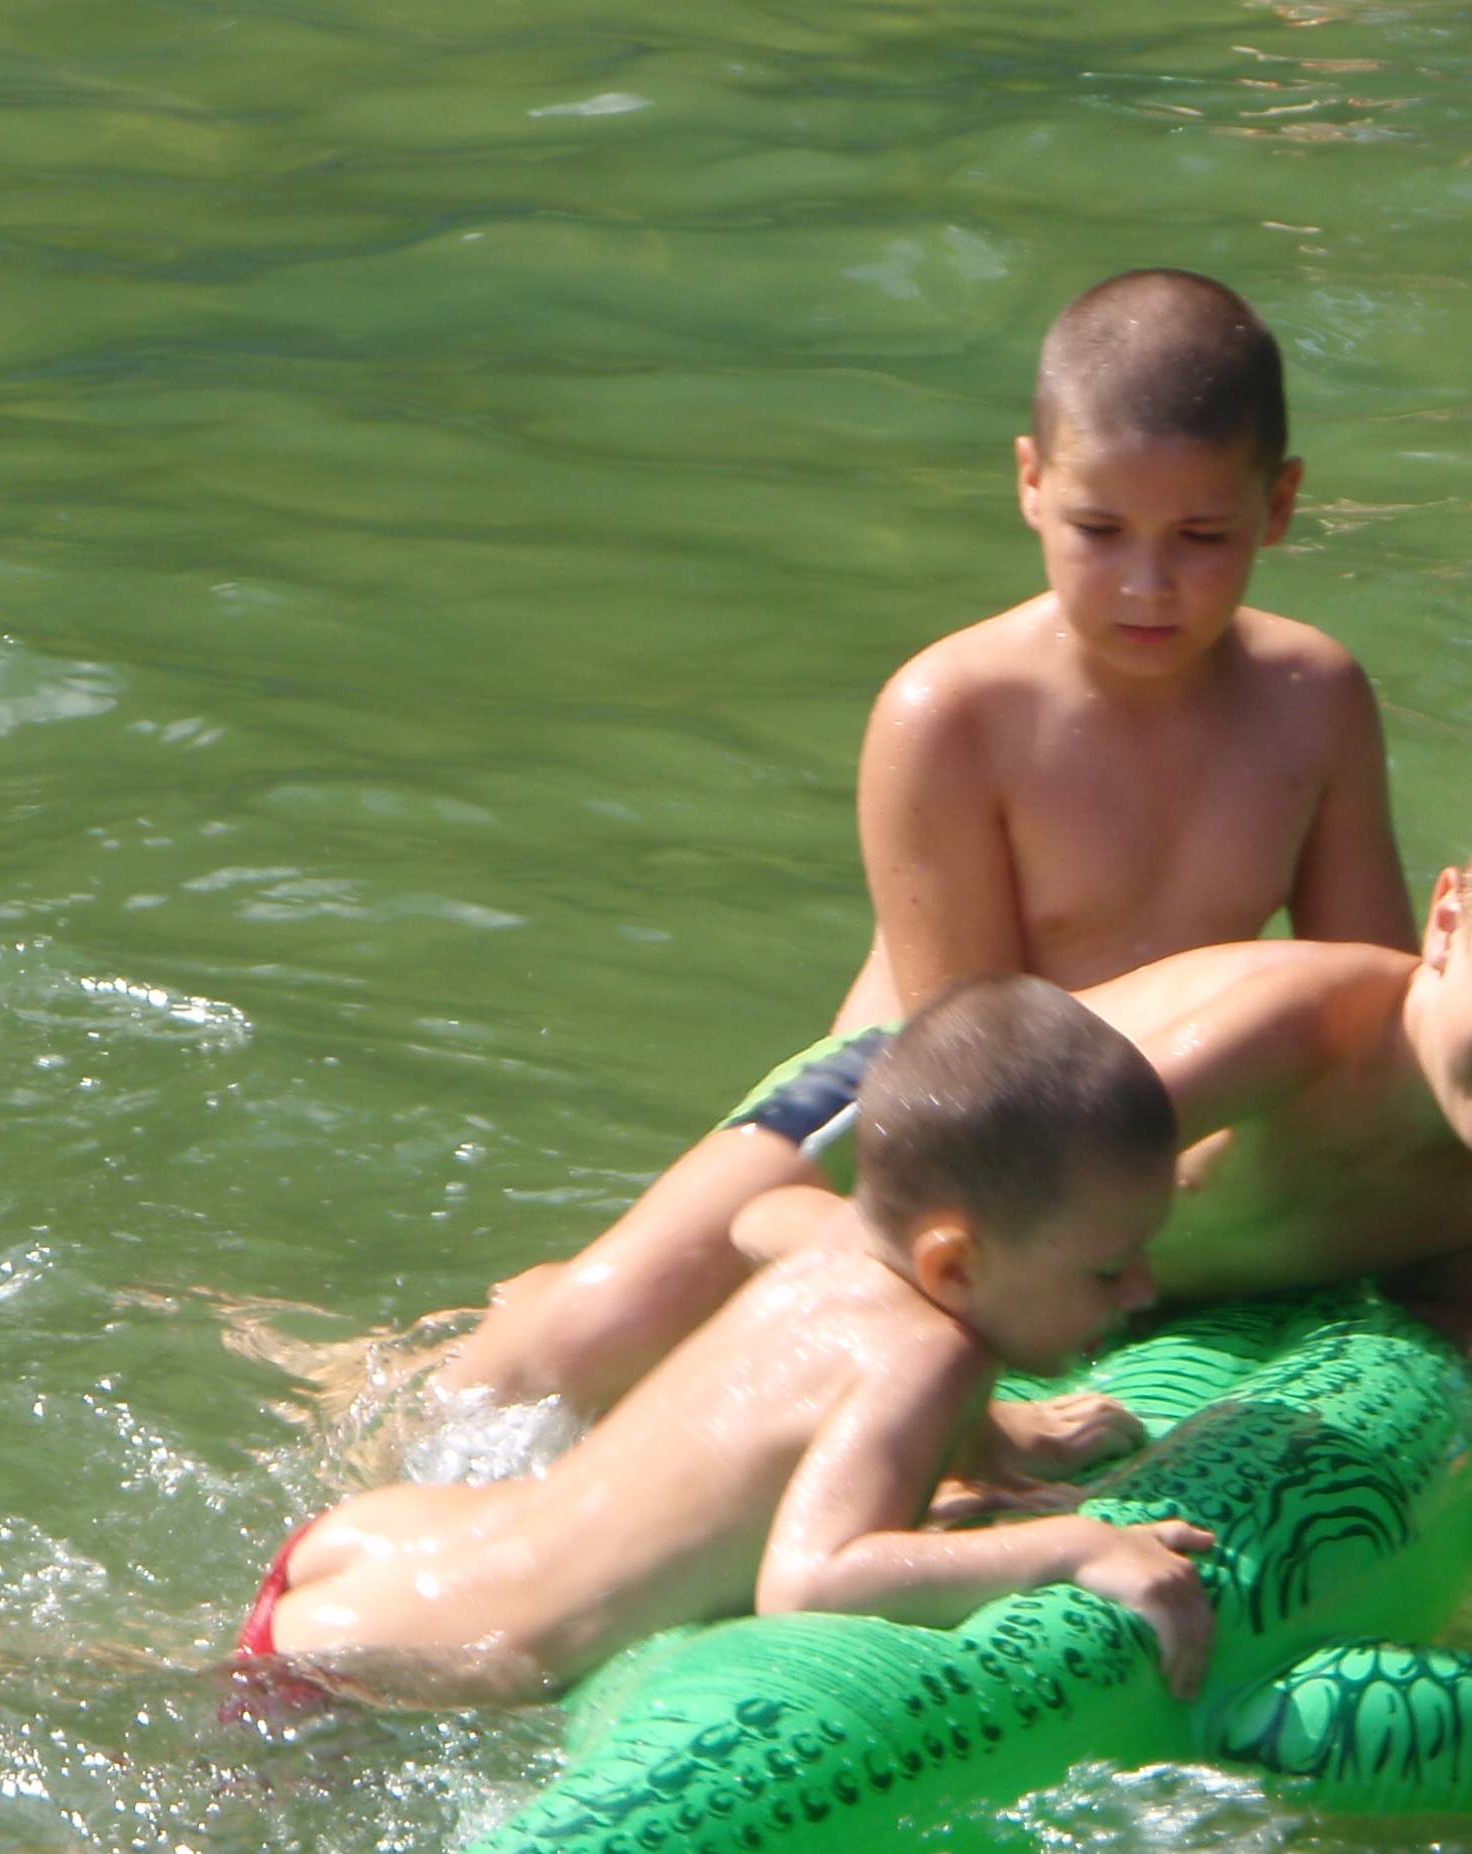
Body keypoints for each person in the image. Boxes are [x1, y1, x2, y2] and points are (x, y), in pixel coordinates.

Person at [433, 267, 1411, 1420]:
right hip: (904, 1094)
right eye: (1099, 531)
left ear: (1279, 503)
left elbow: (1381, 1005)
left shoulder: (1313, 702)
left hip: (1159, 1098)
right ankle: (410, 1359)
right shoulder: (952, 713)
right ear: (1031, 482)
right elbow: (965, 1070)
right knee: (581, 1343)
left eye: (1202, 536)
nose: (1148, 586)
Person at [240, 979, 1218, 1707]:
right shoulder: (929, 1355)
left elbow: (762, 1221)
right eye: (1109, 1269)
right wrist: (1074, 1548)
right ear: (952, 1264)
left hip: (390, 1543)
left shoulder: (843, 1250)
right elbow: (813, 1580)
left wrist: (986, 1441)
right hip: (403, 1657)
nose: (1142, 1289)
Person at [741, 757, 1472, 1461]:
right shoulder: (1299, 1036)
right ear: (1446, 921)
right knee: (666, 1292)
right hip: (896, 1110)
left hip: (1090, 1285)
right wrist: (969, 1418)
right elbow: (977, 1175)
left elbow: (1442, 1297)